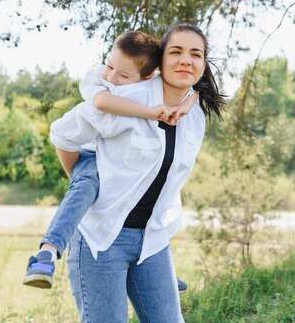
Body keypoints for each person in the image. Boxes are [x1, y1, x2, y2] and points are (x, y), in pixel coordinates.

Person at [49, 23, 224, 322]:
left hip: (152, 241)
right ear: (160, 60)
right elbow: (63, 134)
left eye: (195, 54)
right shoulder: (129, 97)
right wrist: (85, 182)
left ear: (203, 64)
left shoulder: (194, 115)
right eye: (176, 52)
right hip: (101, 239)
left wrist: (192, 98)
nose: (186, 60)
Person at [22, 31, 198, 292]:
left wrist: (186, 106)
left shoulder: (156, 86)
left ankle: (160, 273)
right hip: (92, 156)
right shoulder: (100, 81)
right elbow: (102, 103)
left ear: (149, 78)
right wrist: (78, 175)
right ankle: (47, 251)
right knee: (86, 185)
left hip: (136, 208)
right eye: (110, 65)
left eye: (123, 75)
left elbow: (194, 91)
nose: (112, 77)